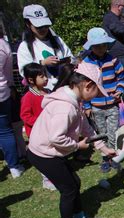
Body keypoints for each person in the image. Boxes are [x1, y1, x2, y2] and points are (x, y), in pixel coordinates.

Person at [27, 62, 116, 218]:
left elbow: (86, 128)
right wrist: (77, 146)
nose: (97, 96)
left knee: (74, 182)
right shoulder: (65, 107)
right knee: (68, 189)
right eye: (96, 92)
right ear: (87, 86)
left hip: (52, 151)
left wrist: (103, 149)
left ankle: (79, 216)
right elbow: (55, 137)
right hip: (43, 153)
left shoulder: (75, 101)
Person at [82, 27, 124, 173]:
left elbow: (121, 77)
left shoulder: (113, 59)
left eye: (103, 45)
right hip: (96, 106)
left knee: (113, 132)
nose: (101, 49)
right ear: (91, 47)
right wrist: (87, 105)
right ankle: (104, 157)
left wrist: (119, 91)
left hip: (112, 104)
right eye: (97, 46)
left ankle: (113, 157)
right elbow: (84, 87)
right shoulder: (86, 63)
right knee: (101, 132)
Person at [17, 4, 73, 91]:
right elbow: (24, 71)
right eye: (39, 27)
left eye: (45, 26)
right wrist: (42, 63)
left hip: (64, 89)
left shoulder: (57, 40)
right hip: (42, 93)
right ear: (28, 24)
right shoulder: (25, 46)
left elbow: (70, 57)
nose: (43, 29)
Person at [19, 63, 56, 190]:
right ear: (31, 80)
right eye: (41, 76)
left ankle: (55, 174)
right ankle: (46, 179)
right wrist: (41, 122)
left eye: (45, 75)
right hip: (37, 133)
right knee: (43, 157)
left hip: (51, 131)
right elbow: (25, 115)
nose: (46, 78)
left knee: (52, 154)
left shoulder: (48, 92)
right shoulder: (28, 97)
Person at [0, 25, 24, 178]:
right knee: (5, 131)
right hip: (3, 92)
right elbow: (8, 72)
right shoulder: (3, 45)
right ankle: (14, 167)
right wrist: (11, 86)